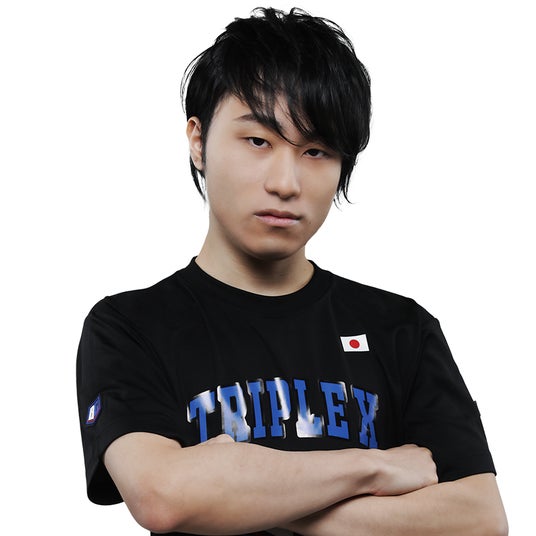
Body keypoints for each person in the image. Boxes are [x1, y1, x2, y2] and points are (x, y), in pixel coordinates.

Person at [76, 7, 508, 535]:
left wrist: (238, 490)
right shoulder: (130, 326)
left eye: (316, 150)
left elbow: (479, 519)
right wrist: (373, 466)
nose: (285, 182)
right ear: (198, 141)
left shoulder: (401, 328)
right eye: (258, 141)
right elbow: (164, 496)